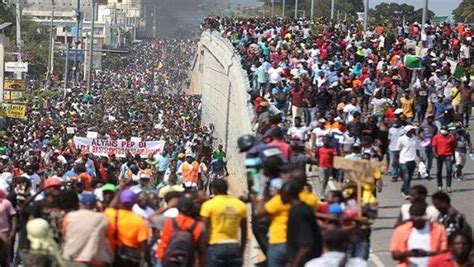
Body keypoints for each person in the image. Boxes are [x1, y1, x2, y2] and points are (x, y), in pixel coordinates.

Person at [200, 179, 247, 266]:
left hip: (215, 246)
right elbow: (244, 232)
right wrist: (241, 251)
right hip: (234, 246)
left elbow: (203, 229)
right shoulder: (240, 205)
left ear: (214, 190)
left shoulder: (208, 205)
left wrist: (203, 250)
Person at [390, 202, 448, 267]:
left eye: (419, 218)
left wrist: (428, 253)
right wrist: (408, 253)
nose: (415, 221)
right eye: (413, 218)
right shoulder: (400, 230)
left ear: (425, 215)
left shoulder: (439, 229)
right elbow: (394, 255)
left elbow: (445, 253)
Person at [62, 193, 113, 265]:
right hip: (95, 260)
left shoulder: (69, 216)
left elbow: (64, 234)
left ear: (80, 203)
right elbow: (108, 236)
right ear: (95, 204)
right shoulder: (103, 218)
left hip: (72, 259)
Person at [104, 189, 151, 267]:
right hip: (130, 260)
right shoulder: (139, 221)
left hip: (111, 257)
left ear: (120, 201)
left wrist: (120, 191)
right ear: (134, 203)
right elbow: (144, 247)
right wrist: (149, 262)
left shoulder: (110, 214)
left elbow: (110, 207)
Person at [157, 196, 207, 267]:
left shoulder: (168, 221)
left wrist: (168, 207)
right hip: (187, 261)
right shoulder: (199, 226)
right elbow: (201, 250)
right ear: (192, 209)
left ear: (177, 208)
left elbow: (150, 219)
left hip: (165, 258)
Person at [282, 181, 322, 267]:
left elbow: (306, 245)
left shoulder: (298, 212)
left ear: (287, 194)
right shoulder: (304, 208)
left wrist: (294, 264)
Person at [396, 125, 419, 199]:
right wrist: (395, 161)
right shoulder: (401, 139)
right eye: (413, 130)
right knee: (406, 177)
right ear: (409, 131)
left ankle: (403, 190)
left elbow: (417, 149)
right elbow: (397, 150)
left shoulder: (414, 139)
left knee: (408, 178)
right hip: (403, 161)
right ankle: (407, 193)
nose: (415, 131)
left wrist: (420, 159)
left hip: (412, 161)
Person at [431, 125, 456, 192]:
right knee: (439, 171)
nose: (444, 130)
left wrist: (454, 157)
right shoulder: (436, 137)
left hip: (448, 155)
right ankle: (439, 186)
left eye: (445, 129)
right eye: (443, 129)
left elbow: (453, 147)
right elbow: (433, 146)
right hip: (439, 156)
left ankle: (448, 186)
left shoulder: (451, 137)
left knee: (449, 170)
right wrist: (435, 154)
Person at [0, 187, 17, 265]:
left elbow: (13, 216)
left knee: (5, 258)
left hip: (3, 232)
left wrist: (13, 232)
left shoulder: (5, 202)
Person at [418, 114, 437, 179]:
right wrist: (422, 138)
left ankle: (427, 172)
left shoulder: (435, 127)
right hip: (424, 145)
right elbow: (418, 132)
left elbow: (435, 136)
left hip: (431, 145)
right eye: (429, 118)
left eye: (432, 118)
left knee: (430, 160)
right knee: (424, 159)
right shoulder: (423, 126)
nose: (430, 119)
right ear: (427, 119)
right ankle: (420, 172)